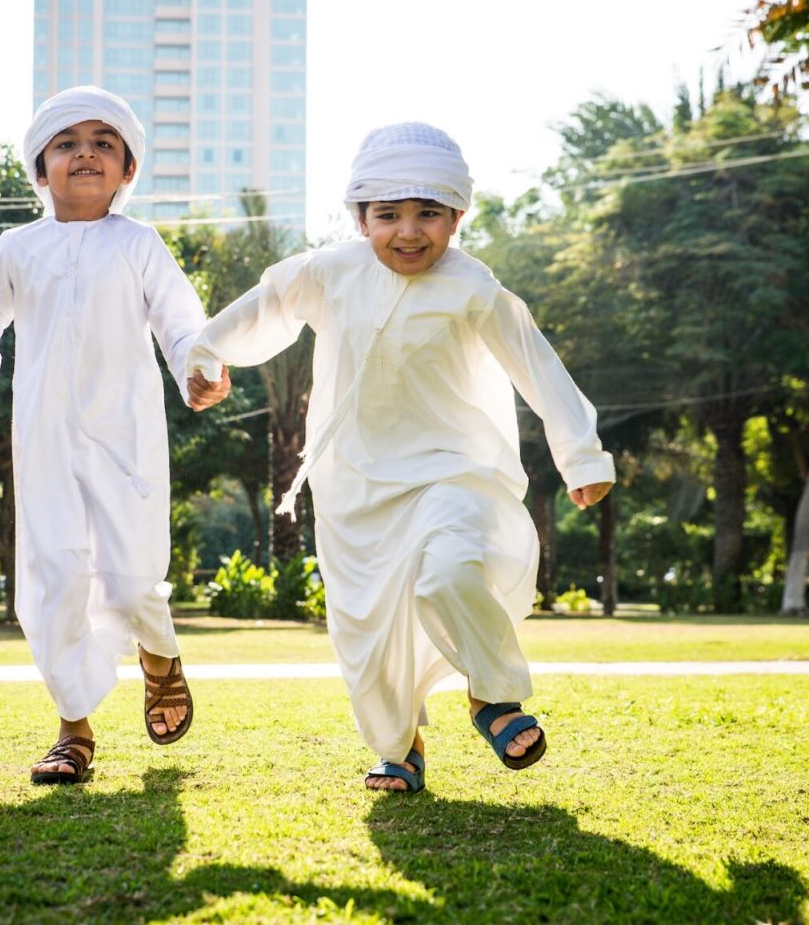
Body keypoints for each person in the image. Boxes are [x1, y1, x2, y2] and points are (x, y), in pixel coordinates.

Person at [186, 122, 614, 793]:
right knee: (369, 633)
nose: (409, 232)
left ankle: (492, 696)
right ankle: (400, 746)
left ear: (457, 216)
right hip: (354, 484)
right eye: (388, 215)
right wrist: (204, 353)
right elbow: (263, 307)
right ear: (361, 219)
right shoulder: (328, 272)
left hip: (451, 470)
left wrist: (582, 457)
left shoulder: (475, 287)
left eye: (429, 215)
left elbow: (538, 366)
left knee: (448, 571)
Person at [0, 85, 230, 784]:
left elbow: (180, 317)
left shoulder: (138, 243)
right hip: (43, 442)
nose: (86, 154)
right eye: (67, 143)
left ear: (128, 170)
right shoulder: (18, 247)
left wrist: (198, 366)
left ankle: (158, 656)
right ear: (41, 171)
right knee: (54, 583)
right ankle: (74, 731)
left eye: (104, 142)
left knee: (134, 580)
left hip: (126, 437)